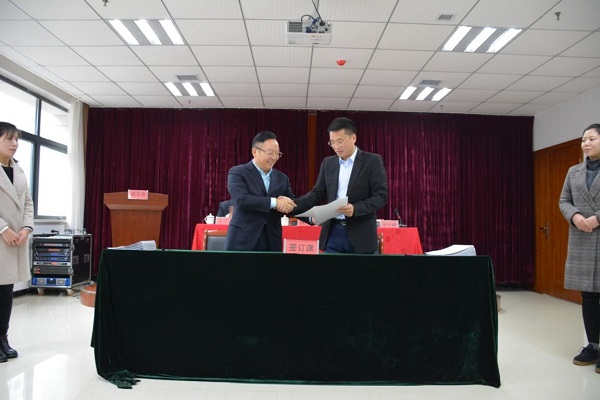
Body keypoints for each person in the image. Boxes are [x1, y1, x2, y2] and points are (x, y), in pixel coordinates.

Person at [293, 117, 388, 253]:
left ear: (353, 138)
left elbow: (381, 196)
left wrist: (355, 209)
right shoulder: (328, 163)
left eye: (340, 141)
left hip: (361, 232)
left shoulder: (372, 161)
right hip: (333, 231)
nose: (336, 146)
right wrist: (293, 204)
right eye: (332, 142)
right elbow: (317, 193)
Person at [559, 123, 600, 374]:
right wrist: (574, 216)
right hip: (582, 237)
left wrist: (597, 218)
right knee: (589, 296)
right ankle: (593, 346)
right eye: (583, 139)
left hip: (597, 230)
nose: (586, 143)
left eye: (592, 139)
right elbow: (564, 200)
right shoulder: (573, 171)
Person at [224, 131, 296, 251]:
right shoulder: (238, 172)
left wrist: (312, 217)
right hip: (242, 241)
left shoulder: (282, 178)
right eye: (270, 153)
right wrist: (275, 203)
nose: (274, 157)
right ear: (254, 152)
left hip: (272, 242)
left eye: (277, 153)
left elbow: (292, 203)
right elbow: (242, 199)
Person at [0, 122, 34, 363]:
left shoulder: (18, 169)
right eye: (9, 139)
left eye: (17, 140)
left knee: (6, 292)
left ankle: (3, 338)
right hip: (3, 236)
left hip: (15, 240)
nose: (15, 144)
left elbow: (28, 202)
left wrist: (26, 228)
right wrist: (3, 229)